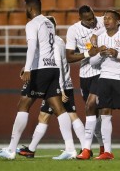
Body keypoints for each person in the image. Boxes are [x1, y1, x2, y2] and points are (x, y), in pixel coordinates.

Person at [0, 0, 76, 160]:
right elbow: (44, 46)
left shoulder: (32, 24)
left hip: (41, 70)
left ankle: (10, 149)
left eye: (25, 8)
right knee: (59, 108)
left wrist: (29, 68)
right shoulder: (48, 23)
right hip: (52, 69)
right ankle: (70, 148)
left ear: (30, 8)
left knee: (23, 104)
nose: (25, 11)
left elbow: (31, 47)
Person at [17, 16, 85, 160]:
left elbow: (58, 66)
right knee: (48, 115)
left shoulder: (55, 43)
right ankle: (31, 149)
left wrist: (60, 89)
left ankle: (80, 148)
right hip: (61, 84)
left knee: (69, 115)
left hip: (59, 85)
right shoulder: (54, 42)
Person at [65, 5, 105, 160]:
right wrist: (88, 53)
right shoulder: (73, 30)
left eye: (93, 17)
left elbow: (117, 24)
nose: (92, 21)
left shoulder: (102, 21)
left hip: (102, 72)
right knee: (93, 113)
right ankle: (103, 147)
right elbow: (69, 57)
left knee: (90, 105)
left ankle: (86, 149)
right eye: (88, 20)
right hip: (85, 74)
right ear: (80, 18)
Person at [89, 10, 120, 160]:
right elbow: (92, 63)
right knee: (104, 112)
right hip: (104, 77)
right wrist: (100, 54)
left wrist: (116, 54)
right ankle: (107, 151)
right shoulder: (100, 38)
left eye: (110, 18)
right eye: (105, 18)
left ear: (118, 21)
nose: (106, 21)